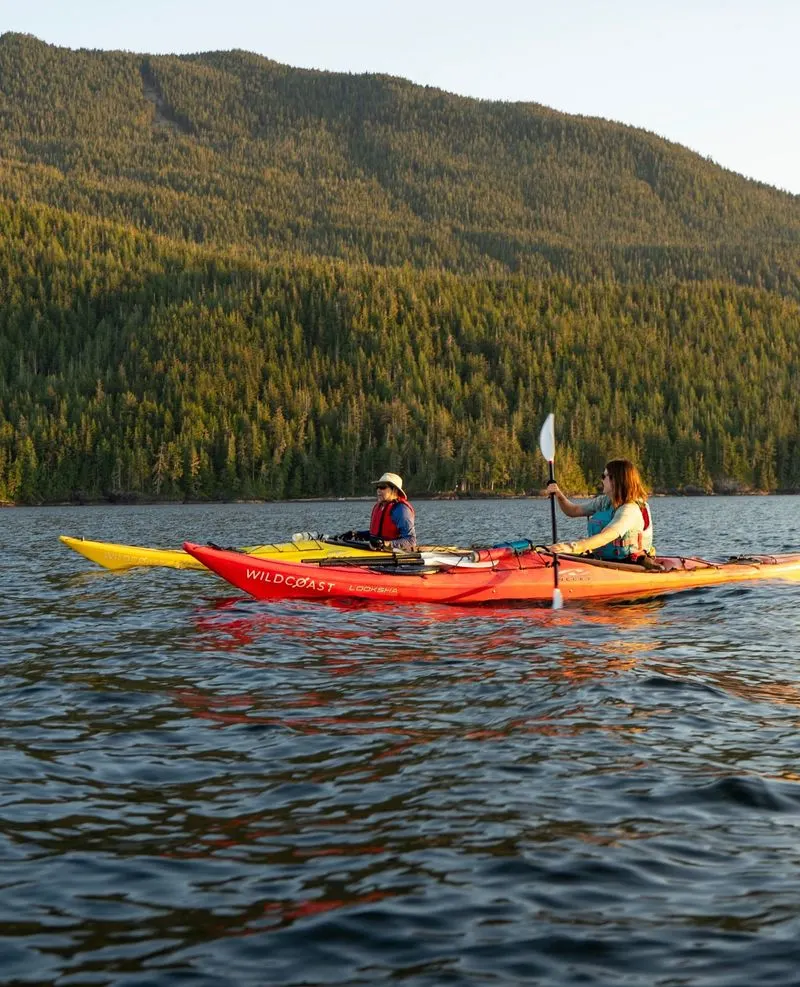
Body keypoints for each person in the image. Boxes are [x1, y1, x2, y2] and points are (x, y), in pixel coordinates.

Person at [547, 458, 655, 562]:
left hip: (628, 562)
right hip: (604, 559)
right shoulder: (605, 502)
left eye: (604, 476)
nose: (602, 480)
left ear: (616, 480)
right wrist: (558, 494)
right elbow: (573, 510)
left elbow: (606, 536)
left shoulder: (630, 510)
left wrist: (572, 547)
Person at [337, 472, 417, 552]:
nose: (378, 490)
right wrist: (356, 534)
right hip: (380, 552)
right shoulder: (380, 507)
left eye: (382, 487)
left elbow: (410, 541)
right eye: (377, 487)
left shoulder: (402, 510)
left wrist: (385, 544)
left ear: (395, 490)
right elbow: (376, 534)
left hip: (395, 554)